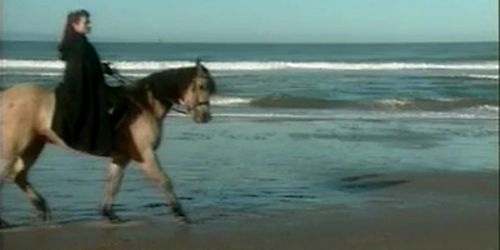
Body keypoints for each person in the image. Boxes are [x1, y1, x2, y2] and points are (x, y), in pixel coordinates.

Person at [52, 9, 120, 156]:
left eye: (88, 22)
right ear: (75, 25)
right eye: (86, 22)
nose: (89, 25)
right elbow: (81, 71)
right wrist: (99, 72)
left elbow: (87, 65)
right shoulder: (79, 45)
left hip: (88, 84)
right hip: (82, 89)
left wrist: (101, 68)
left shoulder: (79, 43)